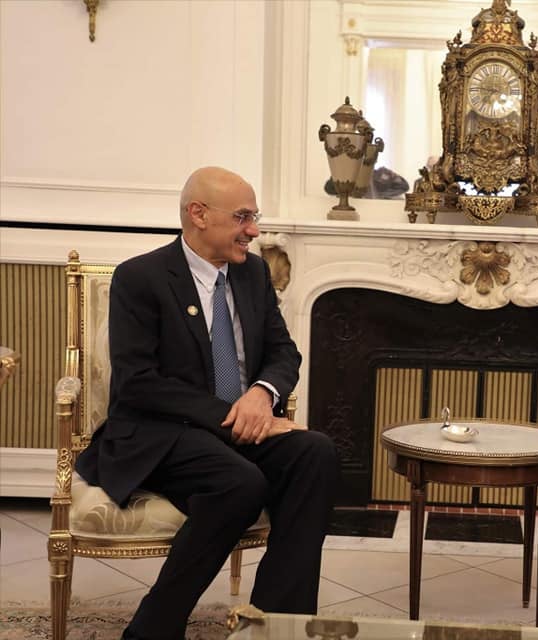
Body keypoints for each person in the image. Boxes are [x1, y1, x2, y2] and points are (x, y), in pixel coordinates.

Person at [75, 166, 340, 640]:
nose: (253, 231)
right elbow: (138, 384)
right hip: (161, 434)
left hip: (233, 428)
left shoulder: (252, 273)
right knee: (238, 482)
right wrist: (233, 414)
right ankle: (152, 630)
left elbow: (283, 352)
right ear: (198, 214)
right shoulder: (141, 278)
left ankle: (275, 625)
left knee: (315, 453)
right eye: (242, 217)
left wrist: (261, 394)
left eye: (254, 217)